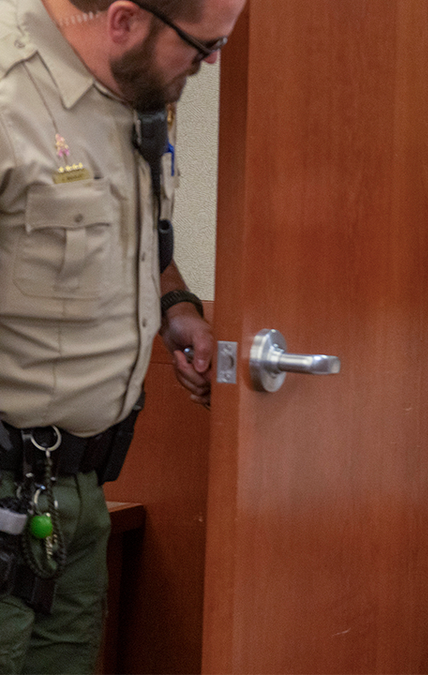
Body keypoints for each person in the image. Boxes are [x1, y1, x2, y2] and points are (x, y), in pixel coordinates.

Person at [0, 0, 243, 671]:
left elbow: (135, 236)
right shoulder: (11, 97)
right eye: (203, 46)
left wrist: (176, 305)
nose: (210, 63)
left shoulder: (137, 94)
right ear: (124, 20)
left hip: (77, 492)